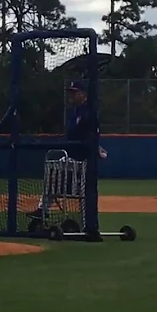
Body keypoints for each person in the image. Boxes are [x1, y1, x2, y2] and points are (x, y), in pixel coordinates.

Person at [27, 80, 107, 219]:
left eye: (74, 92)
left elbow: (90, 135)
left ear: (83, 94)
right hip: (72, 157)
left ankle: (46, 209)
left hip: (81, 160)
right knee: (52, 174)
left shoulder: (88, 112)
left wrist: (96, 149)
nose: (71, 95)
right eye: (70, 92)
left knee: (58, 175)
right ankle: (43, 209)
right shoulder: (75, 112)